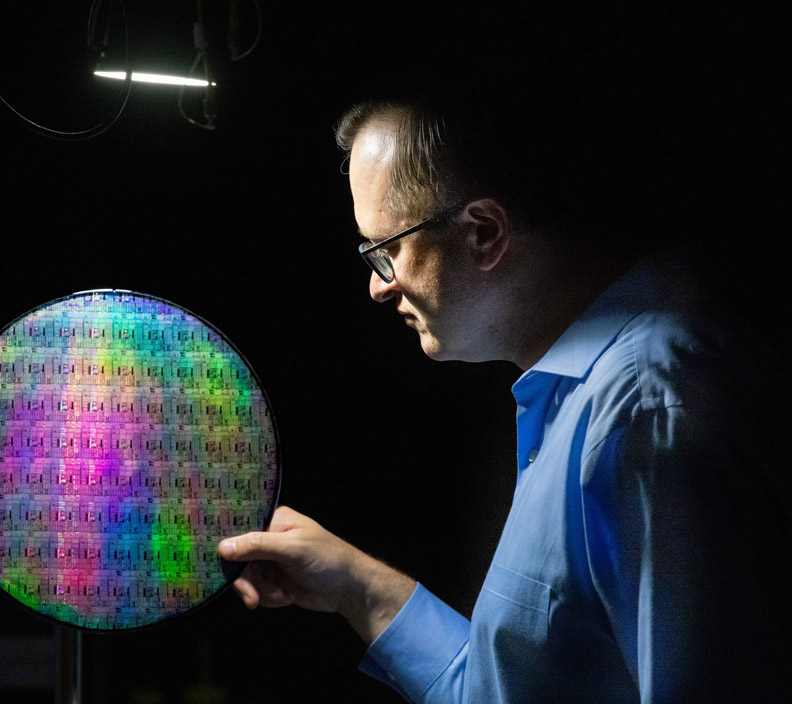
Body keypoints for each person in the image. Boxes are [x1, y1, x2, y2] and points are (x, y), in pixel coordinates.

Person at [217, 76, 791, 703]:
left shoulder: (649, 408)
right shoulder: (584, 394)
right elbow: (513, 688)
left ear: (483, 232)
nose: (378, 287)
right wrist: (356, 585)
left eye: (386, 251)